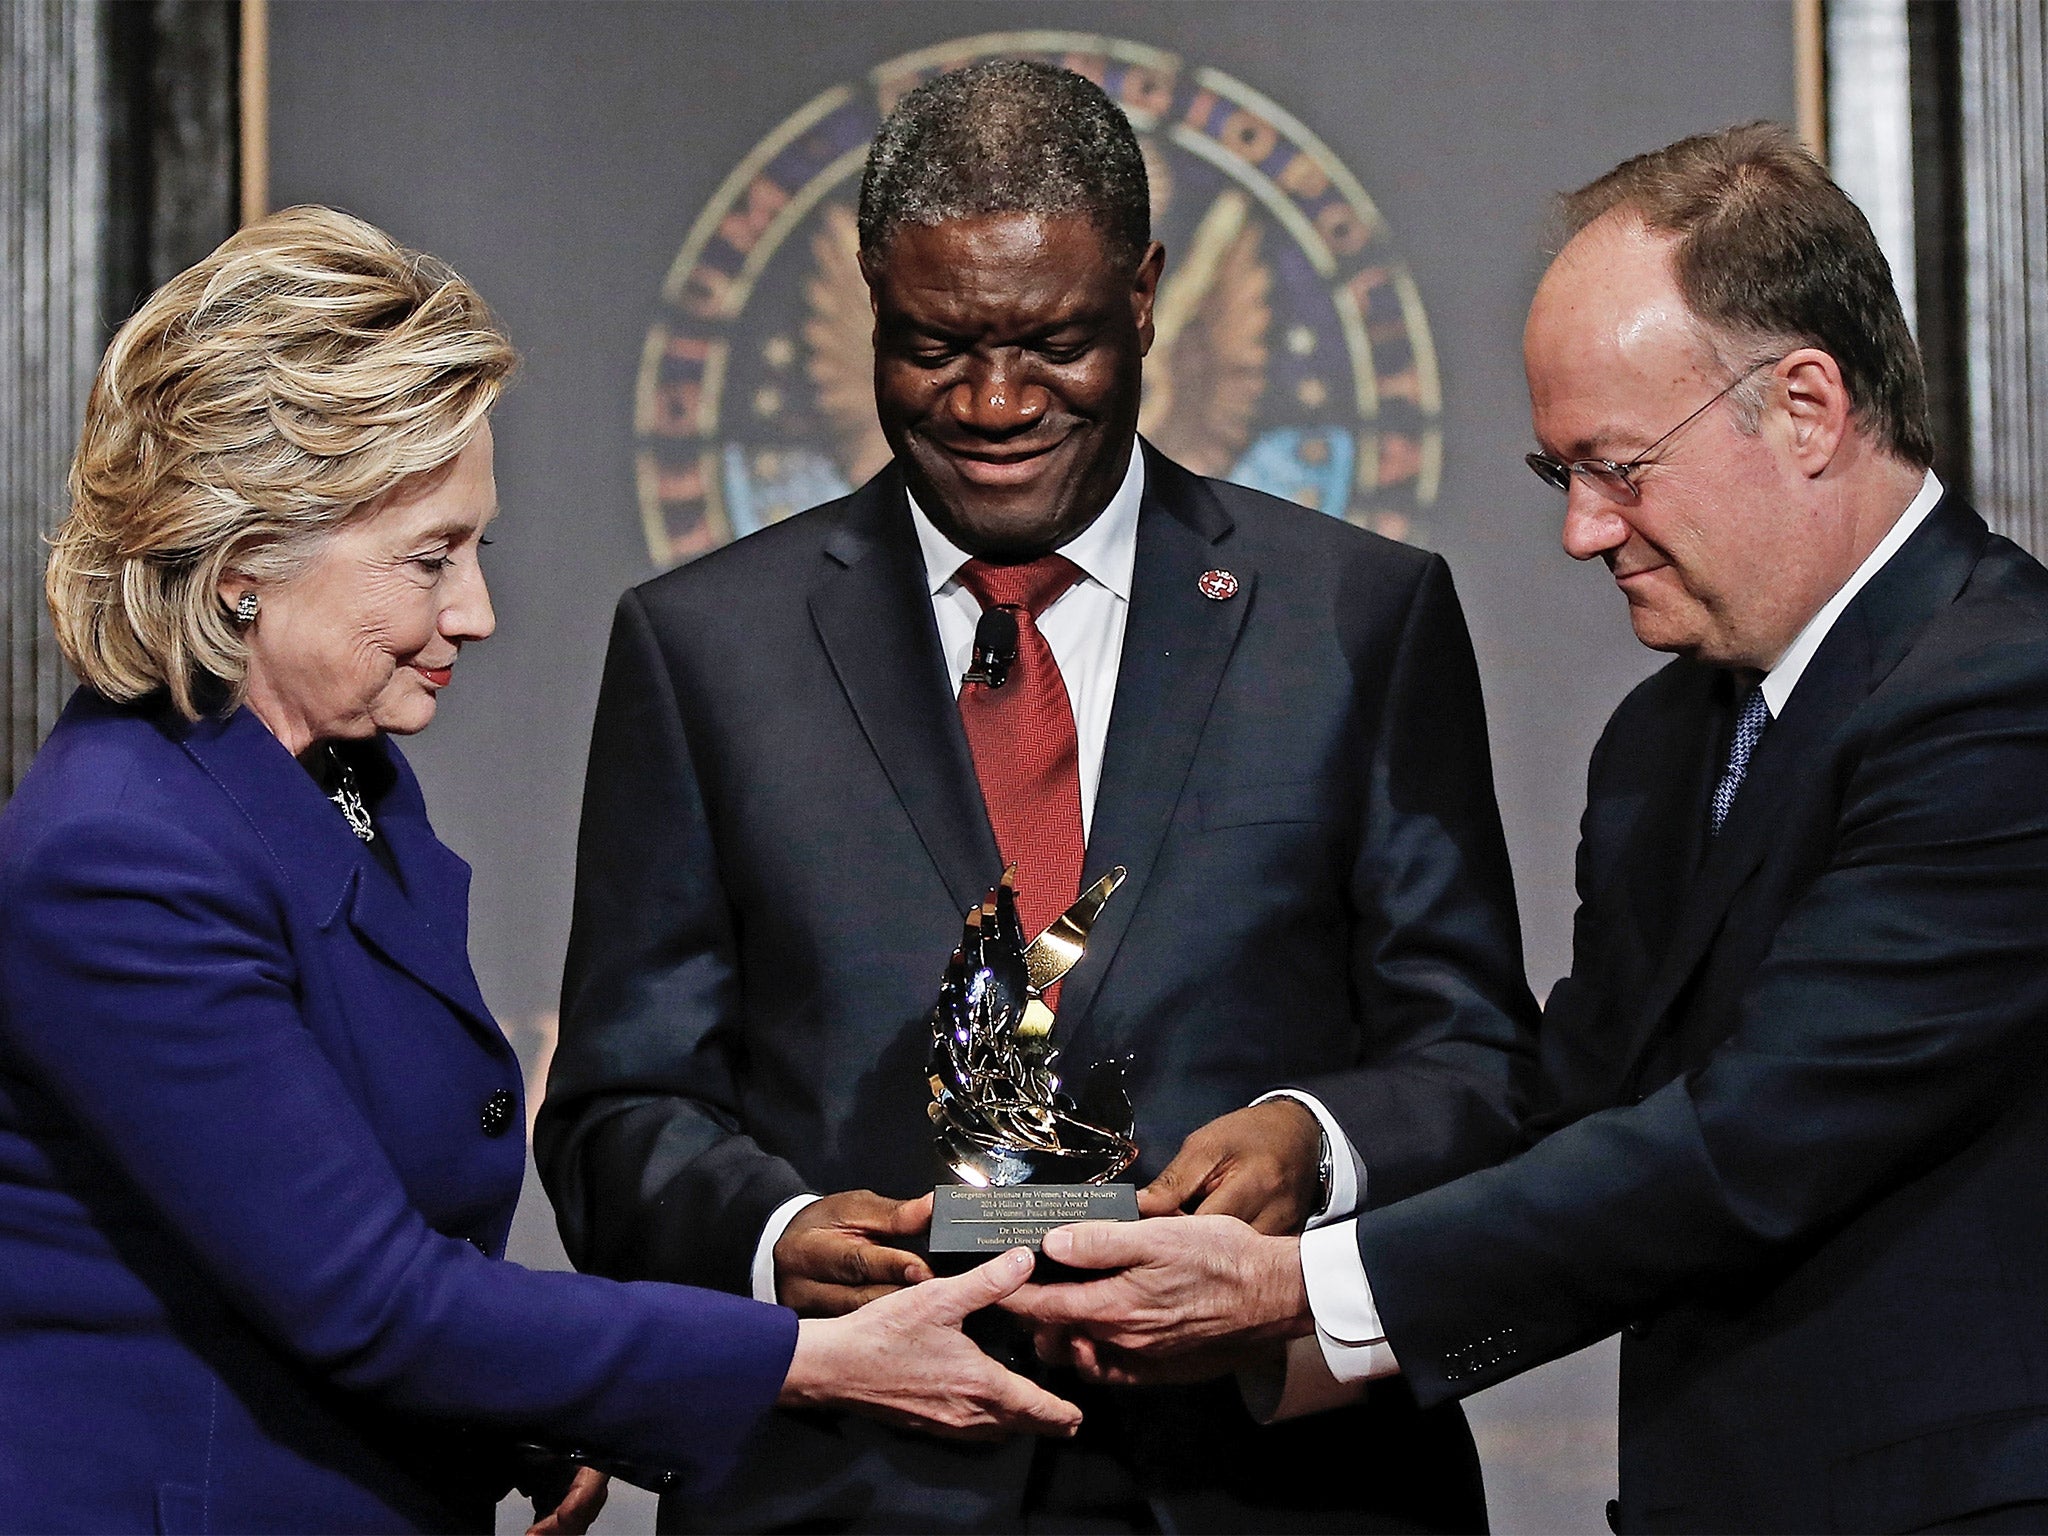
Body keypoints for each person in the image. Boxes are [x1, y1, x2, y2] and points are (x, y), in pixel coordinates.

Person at [537, 60, 1536, 1534]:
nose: (995, 403)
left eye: (1055, 343)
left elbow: (1479, 1061)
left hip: (1271, 1482)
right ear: (870, 302)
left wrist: (1310, 1139)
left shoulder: (1360, 617)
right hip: (851, 1482)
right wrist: (770, 1235)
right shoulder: (702, 649)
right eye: (935, 346)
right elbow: (621, 1105)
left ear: (1143, 297)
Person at [1006, 123, 2048, 1532]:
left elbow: (1743, 1150)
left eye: (1619, 466)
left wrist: (1300, 1290)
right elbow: (1584, 1143)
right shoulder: (1665, 744)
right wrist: (1291, 1225)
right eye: (1560, 474)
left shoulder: (2003, 700)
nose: (1582, 532)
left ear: (1807, 407)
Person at [0, 206, 1081, 1536]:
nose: (477, 615)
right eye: (428, 559)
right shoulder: (120, 855)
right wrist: (803, 1360)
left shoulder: (340, 780)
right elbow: (367, 1295)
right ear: (241, 570)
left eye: (478, 550)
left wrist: (529, 1403)